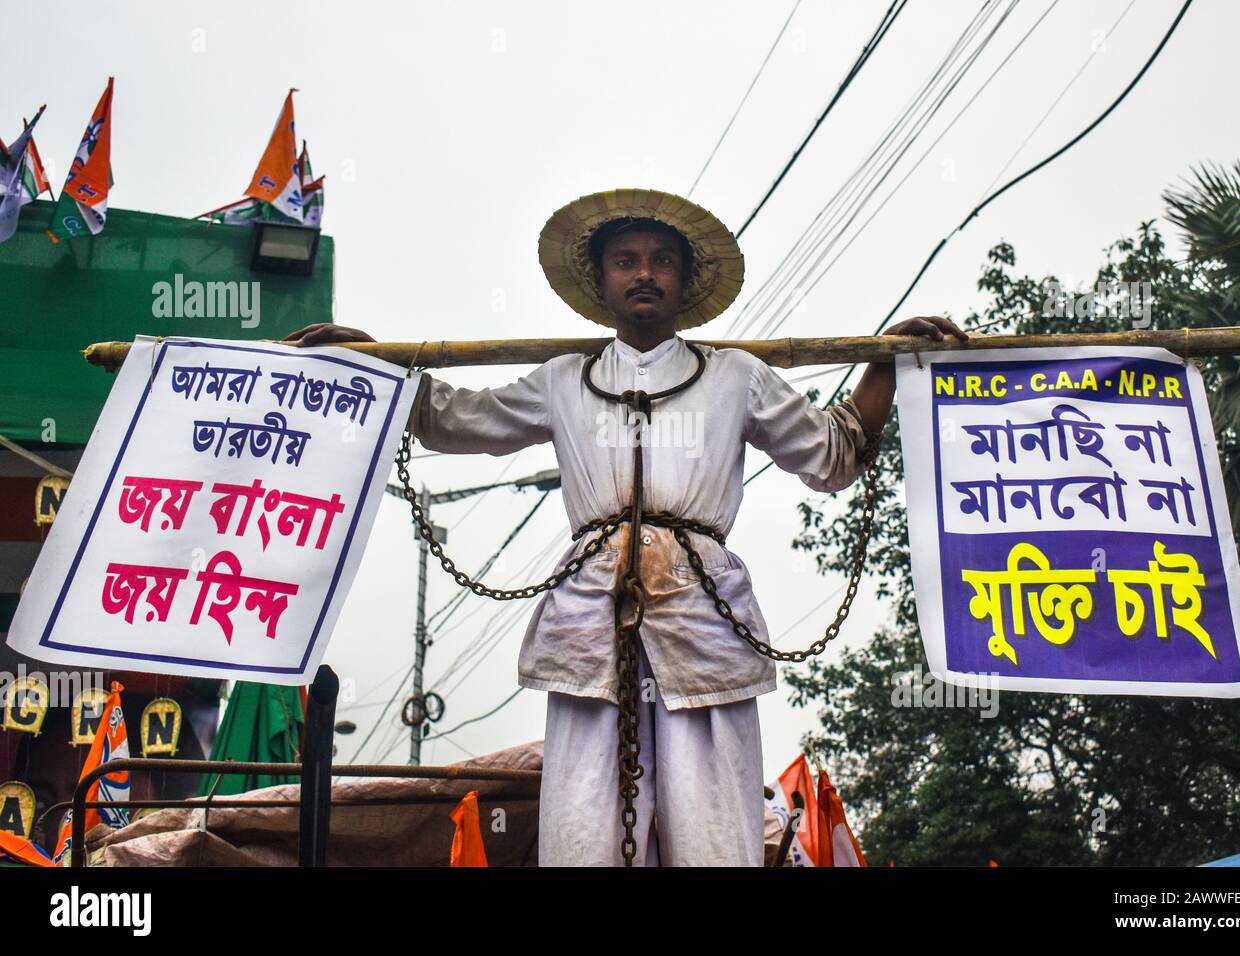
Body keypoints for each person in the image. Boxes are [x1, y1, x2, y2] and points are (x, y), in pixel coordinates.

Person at [287, 188, 967, 866]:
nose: (644, 272)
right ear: (603, 281)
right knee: (580, 838)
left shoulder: (737, 377)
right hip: (588, 629)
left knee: (718, 840)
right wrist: (369, 358)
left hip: (705, 629)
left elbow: (834, 453)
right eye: (626, 260)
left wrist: (889, 358)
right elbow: (453, 418)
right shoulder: (563, 381)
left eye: (661, 260)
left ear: (683, 279)